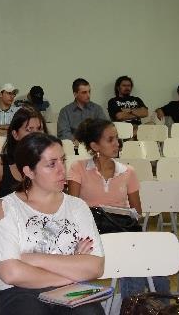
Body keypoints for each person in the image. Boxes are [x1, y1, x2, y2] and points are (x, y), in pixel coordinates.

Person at [0, 132, 105, 315]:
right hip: (19, 291)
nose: (62, 170)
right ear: (28, 172)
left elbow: (95, 267)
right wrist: (71, 269)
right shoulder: (7, 207)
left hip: (71, 291)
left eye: (62, 160)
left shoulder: (77, 207)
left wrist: (30, 258)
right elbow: (11, 273)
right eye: (51, 164)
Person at [67, 118, 169, 299]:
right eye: (110, 140)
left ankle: (158, 306)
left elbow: (137, 212)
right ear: (95, 146)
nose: (117, 144)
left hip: (122, 230)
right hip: (92, 233)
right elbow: (73, 209)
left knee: (156, 263)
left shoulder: (128, 171)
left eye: (117, 139)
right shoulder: (78, 168)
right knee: (131, 261)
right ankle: (134, 306)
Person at [0, 106, 47, 223]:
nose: (36, 135)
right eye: (29, 130)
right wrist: (12, 220)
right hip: (10, 227)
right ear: (15, 134)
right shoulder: (0, 164)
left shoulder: (50, 163)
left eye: (39, 129)